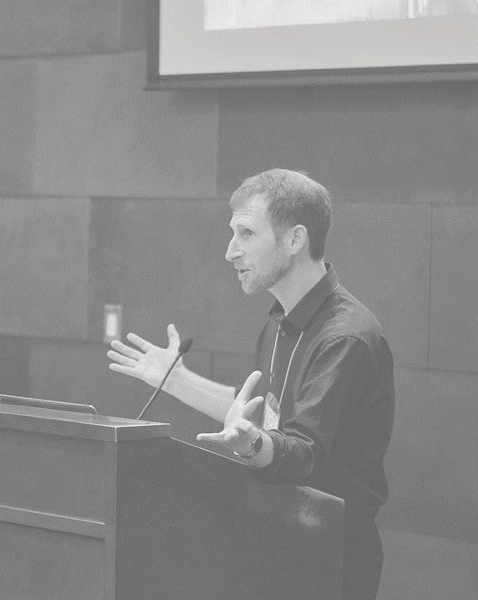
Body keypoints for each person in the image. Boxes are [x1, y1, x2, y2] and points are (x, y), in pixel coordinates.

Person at [107, 168, 394, 600]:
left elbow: (301, 450)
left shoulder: (345, 337)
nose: (229, 252)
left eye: (245, 233)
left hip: (328, 561)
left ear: (295, 240)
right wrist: (177, 381)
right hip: (280, 543)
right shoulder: (282, 320)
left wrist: (252, 445)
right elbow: (260, 414)